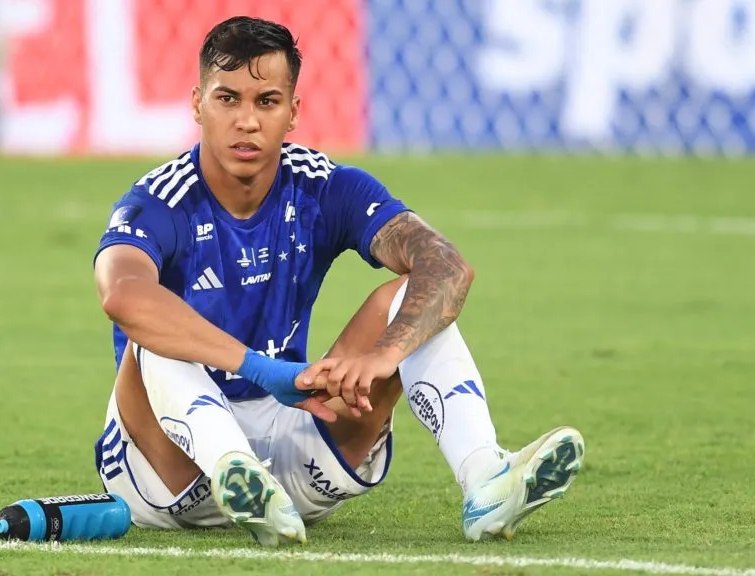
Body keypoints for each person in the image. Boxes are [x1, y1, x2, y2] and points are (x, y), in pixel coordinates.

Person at [91, 15, 585, 547]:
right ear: (197, 105)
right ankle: (234, 469)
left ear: (293, 112)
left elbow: (447, 266)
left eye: (267, 101)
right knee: (152, 333)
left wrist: (384, 356)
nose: (247, 121)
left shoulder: (324, 186)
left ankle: (485, 477)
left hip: (293, 452)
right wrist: (259, 369)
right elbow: (122, 296)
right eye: (227, 99)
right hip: (169, 471)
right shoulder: (160, 200)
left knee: (414, 300)